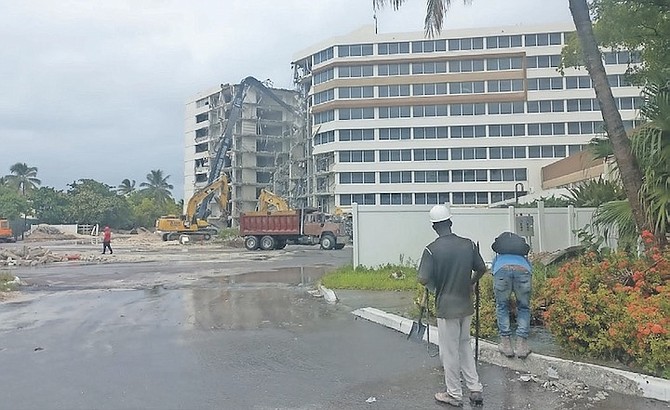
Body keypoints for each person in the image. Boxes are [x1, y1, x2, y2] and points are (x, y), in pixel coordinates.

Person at [418, 204, 487, 407]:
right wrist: (471, 282)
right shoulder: (468, 245)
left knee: (449, 352)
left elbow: (422, 278)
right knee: (464, 346)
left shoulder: (431, 250)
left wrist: (434, 286)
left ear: (434, 227)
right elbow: (482, 268)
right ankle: (475, 389)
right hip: (466, 305)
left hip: (446, 307)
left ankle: (454, 394)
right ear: (450, 222)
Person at [491, 232, 532, 358]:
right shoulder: (524, 259)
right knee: (523, 307)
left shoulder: (498, 258)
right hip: (523, 271)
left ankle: (506, 345)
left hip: (501, 271)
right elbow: (530, 269)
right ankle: (521, 346)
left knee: (502, 306)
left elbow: (492, 271)